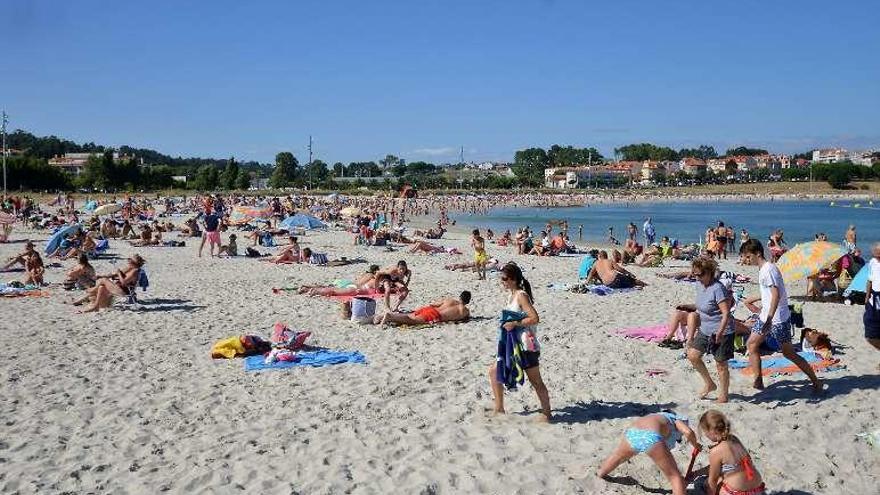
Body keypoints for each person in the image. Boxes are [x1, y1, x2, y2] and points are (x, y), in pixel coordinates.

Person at [739, 239, 822, 393]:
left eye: (748, 256)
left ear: (758, 253)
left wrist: (769, 319)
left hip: (776, 319)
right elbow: (770, 293)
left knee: (788, 353)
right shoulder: (764, 268)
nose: (746, 260)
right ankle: (758, 381)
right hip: (766, 316)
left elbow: (776, 295)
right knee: (751, 344)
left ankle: (816, 381)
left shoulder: (768, 270)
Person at [487, 263, 551, 422]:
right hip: (512, 344)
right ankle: (499, 408)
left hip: (525, 345)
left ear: (514, 280)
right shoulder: (511, 295)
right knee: (494, 371)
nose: (502, 281)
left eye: (504, 279)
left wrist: (515, 324)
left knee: (536, 381)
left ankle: (547, 413)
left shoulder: (521, 295)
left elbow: (535, 318)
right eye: (501, 278)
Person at [596, 411, 701, 495]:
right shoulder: (674, 418)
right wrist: (695, 444)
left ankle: (600, 474)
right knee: (675, 477)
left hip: (632, 432)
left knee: (618, 456)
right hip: (650, 437)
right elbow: (688, 432)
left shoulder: (657, 417)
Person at [684, 258, 734, 403]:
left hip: (722, 331)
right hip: (705, 329)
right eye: (695, 274)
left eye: (700, 275)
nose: (697, 277)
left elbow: (726, 313)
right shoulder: (699, 285)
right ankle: (710, 384)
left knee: (721, 364)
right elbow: (702, 306)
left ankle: (723, 396)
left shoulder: (718, 289)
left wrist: (719, 332)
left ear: (709, 273)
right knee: (693, 355)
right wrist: (686, 306)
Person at [698, 410, 765, 495]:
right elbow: (718, 467)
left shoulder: (716, 451)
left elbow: (712, 481)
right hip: (757, 489)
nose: (705, 435)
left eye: (705, 431)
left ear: (711, 431)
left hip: (736, 492)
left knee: (707, 483)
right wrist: (696, 473)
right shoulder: (734, 439)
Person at [73, 254, 145, 312]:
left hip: (123, 291)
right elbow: (115, 274)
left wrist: (119, 274)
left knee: (103, 280)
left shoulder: (134, 271)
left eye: (129, 260)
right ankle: (95, 306)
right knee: (101, 287)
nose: (128, 261)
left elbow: (124, 282)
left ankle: (92, 290)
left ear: (133, 262)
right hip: (118, 287)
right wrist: (101, 275)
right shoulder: (130, 268)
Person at [376, 291, 471, 325]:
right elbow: (465, 318)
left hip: (430, 309)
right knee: (411, 320)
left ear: (460, 297)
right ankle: (389, 316)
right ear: (468, 301)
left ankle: (380, 317)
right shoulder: (464, 310)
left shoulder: (450, 300)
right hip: (435, 315)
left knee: (409, 315)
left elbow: (433, 304)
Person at [863, 242, 880, 365]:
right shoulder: (873, 262)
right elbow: (869, 279)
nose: (877, 257)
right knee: (870, 335)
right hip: (873, 300)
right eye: (875, 254)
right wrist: (867, 295)